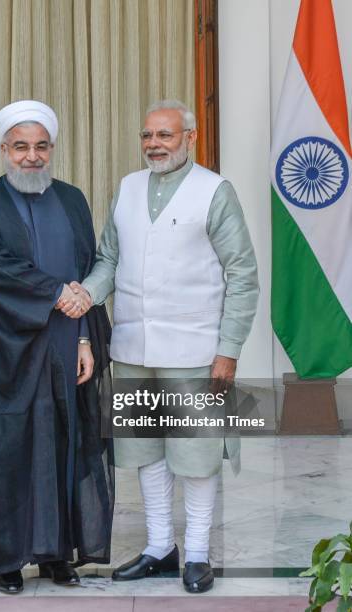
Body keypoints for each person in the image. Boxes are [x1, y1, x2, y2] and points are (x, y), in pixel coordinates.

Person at [59, 99, 259, 593]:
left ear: (190, 138)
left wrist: (228, 349)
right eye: (148, 136)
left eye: (165, 136)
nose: (154, 145)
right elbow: (109, 259)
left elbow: (244, 275)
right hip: (133, 349)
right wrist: (88, 294)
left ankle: (195, 554)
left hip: (195, 351)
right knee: (144, 453)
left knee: (196, 456)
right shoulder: (127, 188)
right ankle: (158, 548)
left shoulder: (214, 191)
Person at [0, 100, 114, 595]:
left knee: (66, 445)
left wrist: (86, 336)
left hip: (68, 346)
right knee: (8, 450)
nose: (31, 157)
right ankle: (7, 559)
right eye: (21, 147)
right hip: (6, 353)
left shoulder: (72, 199)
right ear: (4, 149)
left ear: (52, 150)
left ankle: (56, 555)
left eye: (41, 146)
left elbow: (87, 267)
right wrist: (53, 292)